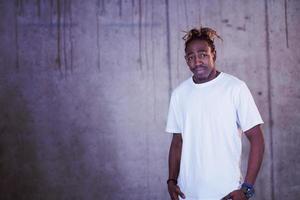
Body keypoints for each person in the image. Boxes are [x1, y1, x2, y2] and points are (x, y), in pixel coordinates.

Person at [165, 27, 265, 200]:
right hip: (187, 194)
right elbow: (177, 143)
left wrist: (247, 188)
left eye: (203, 54)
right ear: (186, 61)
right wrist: (171, 181)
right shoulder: (179, 94)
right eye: (191, 57)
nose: (197, 62)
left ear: (214, 55)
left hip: (227, 194)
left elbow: (256, 138)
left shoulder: (235, 88)